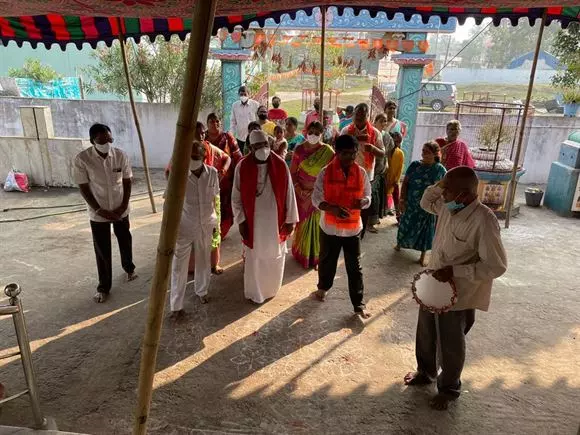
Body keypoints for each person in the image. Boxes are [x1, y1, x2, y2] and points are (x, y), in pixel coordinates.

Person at [404, 166, 507, 411]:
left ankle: (449, 389)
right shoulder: (449, 205)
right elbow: (425, 201)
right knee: (426, 330)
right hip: (433, 282)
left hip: (459, 292)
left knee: (451, 341)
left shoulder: (484, 220)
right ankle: (425, 372)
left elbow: (496, 265)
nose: (443, 194)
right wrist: (442, 183)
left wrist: (456, 271)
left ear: (464, 194)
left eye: (448, 190)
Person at [232, 130, 299, 304]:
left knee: (274, 255)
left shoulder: (280, 164)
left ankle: (271, 289)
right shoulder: (242, 166)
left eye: (265, 145)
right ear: (251, 148)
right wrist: (240, 221)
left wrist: (291, 219)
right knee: (255, 258)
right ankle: (256, 292)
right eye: (258, 146)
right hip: (253, 222)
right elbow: (236, 197)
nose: (263, 148)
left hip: (275, 220)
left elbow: (289, 193)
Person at [74, 123, 137, 303]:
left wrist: (123, 205)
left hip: (120, 208)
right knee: (102, 249)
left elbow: (127, 181)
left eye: (109, 139)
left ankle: (129, 268)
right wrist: (99, 210)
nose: (107, 143)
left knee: (125, 238)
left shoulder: (120, 155)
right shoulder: (83, 160)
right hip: (98, 212)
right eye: (102, 140)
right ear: (93, 141)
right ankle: (103, 287)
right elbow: (84, 187)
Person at [312, 134, 371, 319]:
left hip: (353, 229)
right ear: (337, 153)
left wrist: (363, 202)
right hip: (330, 227)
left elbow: (369, 196)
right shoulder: (324, 172)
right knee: (327, 261)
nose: (350, 158)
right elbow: (316, 199)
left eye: (353, 154)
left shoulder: (361, 173)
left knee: (355, 267)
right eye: (346, 154)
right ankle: (323, 288)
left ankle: (358, 304)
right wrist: (332, 209)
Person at [169, 141, 220, 317]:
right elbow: (170, 203)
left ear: (204, 157)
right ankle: (176, 305)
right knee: (179, 265)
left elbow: (215, 200)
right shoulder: (178, 174)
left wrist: (216, 224)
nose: (192, 160)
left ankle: (202, 291)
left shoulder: (212, 173)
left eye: (196, 157)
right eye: (189, 157)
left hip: (206, 223)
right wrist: (171, 229)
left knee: (204, 260)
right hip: (184, 225)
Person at [290, 121, 334, 269]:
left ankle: (316, 257)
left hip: (318, 194)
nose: (313, 135)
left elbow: (332, 175)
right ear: (305, 132)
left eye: (317, 133)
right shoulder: (299, 150)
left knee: (317, 225)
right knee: (302, 225)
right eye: (311, 132)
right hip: (301, 193)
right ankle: (301, 254)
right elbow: (293, 173)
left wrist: (318, 191)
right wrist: (298, 189)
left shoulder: (328, 152)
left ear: (322, 134)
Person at [395, 141, 446, 266]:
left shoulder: (440, 170)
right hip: (411, 203)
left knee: (426, 231)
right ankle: (399, 244)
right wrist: (402, 200)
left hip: (429, 207)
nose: (423, 154)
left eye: (427, 152)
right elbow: (405, 183)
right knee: (405, 224)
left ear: (435, 154)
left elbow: (444, 190)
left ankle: (423, 256)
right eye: (423, 151)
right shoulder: (414, 165)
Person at [340, 103, 384, 238]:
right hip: (347, 173)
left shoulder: (375, 133)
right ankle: (344, 229)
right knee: (345, 200)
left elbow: (382, 153)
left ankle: (360, 232)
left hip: (366, 174)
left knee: (364, 203)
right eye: (356, 115)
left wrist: (372, 148)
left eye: (362, 115)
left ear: (367, 116)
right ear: (353, 115)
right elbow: (339, 150)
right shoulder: (346, 131)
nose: (358, 117)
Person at [206, 112, 243, 239]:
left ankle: (221, 232)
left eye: (217, 121)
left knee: (225, 208)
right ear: (207, 124)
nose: (215, 124)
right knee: (208, 208)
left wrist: (241, 175)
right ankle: (209, 231)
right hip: (206, 182)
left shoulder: (228, 137)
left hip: (226, 182)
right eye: (212, 121)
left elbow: (238, 158)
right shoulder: (202, 137)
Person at [368, 113, 393, 232]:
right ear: (375, 121)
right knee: (370, 195)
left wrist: (386, 164)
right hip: (369, 169)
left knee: (375, 195)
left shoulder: (387, 136)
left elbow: (388, 152)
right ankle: (367, 221)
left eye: (385, 121)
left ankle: (372, 221)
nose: (384, 123)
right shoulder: (370, 133)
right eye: (381, 121)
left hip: (380, 169)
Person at [230, 85, 260, 150]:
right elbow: (233, 122)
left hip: (252, 137)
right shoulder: (235, 105)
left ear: (249, 94)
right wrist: (231, 135)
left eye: (245, 94)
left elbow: (258, 120)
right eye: (241, 94)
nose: (243, 96)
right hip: (240, 137)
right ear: (238, 95)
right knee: (241, 157)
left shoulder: (256, 105)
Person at [386, 131, 405, 222]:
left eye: (398, 142)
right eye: (395, 141)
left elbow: (400, 168)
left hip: (394, 180)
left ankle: (398, 216)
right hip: (385, 178)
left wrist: (396, 180)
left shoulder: (400, 153)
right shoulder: (386, 151)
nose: (397, 143)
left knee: (396, 198)